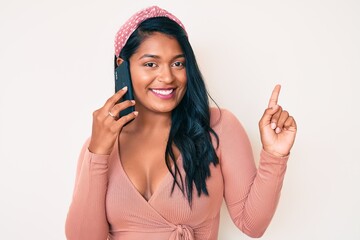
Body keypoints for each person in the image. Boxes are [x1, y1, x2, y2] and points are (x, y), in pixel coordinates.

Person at [65, 5, 297, 240]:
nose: (167, 77)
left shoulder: (219, 128)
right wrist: (98, 153)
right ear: (122, 67)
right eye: (150, 64)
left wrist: (274, 156)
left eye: (178, 63)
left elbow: (252, 225)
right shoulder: (98, 146)